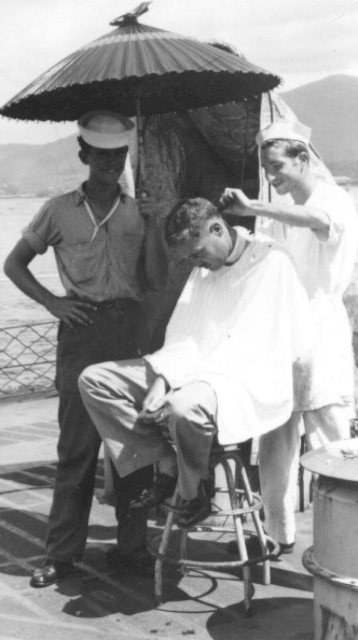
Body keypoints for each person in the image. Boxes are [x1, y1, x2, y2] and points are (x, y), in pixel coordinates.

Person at [79, 197, 316, 528]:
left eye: (197, 253)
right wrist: (162, 379)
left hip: (239, 378)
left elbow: (259, 348)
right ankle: (165, 462)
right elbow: (185, 337)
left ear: (217, 228)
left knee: (182, 407)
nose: (197, 264)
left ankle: (194, 492)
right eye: (190, 258)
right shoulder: (206, 270)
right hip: (192, 368)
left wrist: (179, 384)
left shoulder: (271, 261)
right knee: (96, 379)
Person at [3, 110, 168, 587]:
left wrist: (155, 227)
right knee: (76, 450)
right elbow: (14, 265)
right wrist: (54, 303)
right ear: (84, 156)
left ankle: (132, 548)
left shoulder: (140, 212)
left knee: (132, 446)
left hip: (130, 334)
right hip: (81, 334)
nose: (112, 164)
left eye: (119, 155)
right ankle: (61, 555)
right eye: (102, 156)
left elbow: (156, 279)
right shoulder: (57, 210)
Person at [219, 119, 358, 552]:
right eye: (265, 169)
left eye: (276, 166)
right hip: (280, 331)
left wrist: (257, 208)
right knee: (275, 437)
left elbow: (318, 221)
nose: (271, 176)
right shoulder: (275, 213)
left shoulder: (335, 201)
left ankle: (350, 543)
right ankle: (276, 534)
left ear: (303, 158)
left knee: (333, 438)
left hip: (319, 329)